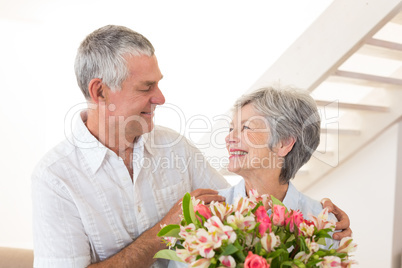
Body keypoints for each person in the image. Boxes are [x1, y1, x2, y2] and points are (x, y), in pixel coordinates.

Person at [31, 25, 350, 268]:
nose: (161, 98)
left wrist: (321, 223)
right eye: (146, 87)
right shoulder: (55, 178)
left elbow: (242, 206)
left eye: (158, 83)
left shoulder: (174, 147)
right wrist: (162, 232)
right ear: (100, 92)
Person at [220, 86, 350, 245]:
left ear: (284, 143)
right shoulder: (206, 212)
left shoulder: (325, 223)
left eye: (245, 127)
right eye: (231, 128)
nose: (229, 138)